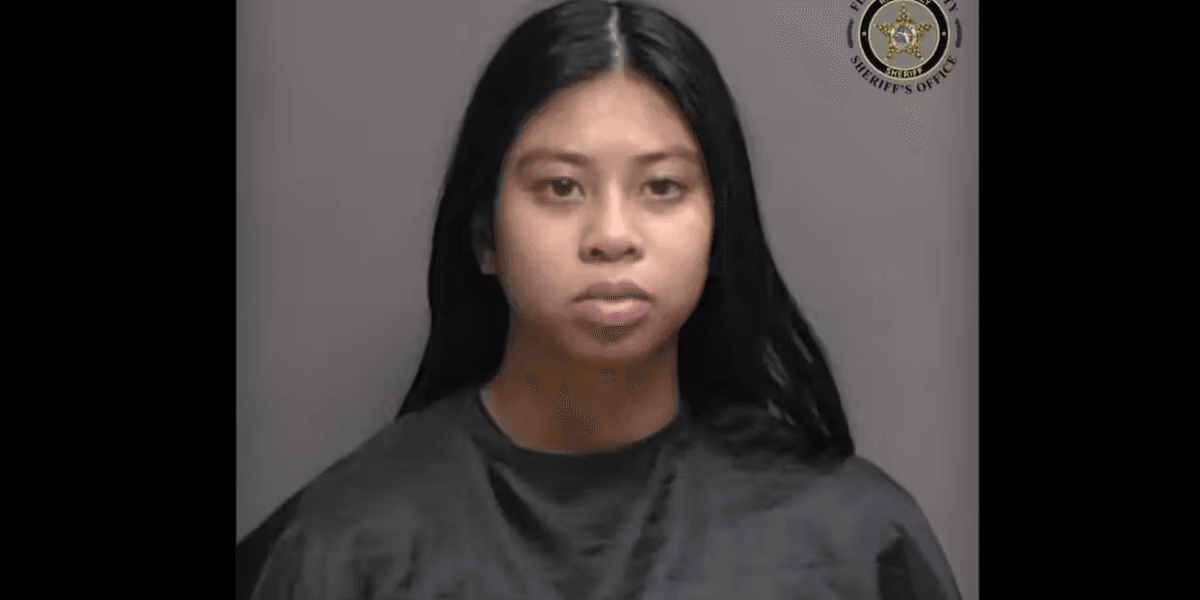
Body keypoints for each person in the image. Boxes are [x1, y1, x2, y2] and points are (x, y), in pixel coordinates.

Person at [245, 1, 963, 598]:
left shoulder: (853, 540)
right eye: (561, 187)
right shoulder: (340, 547)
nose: (612, 236)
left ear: (720, 230)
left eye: (662, 187)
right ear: (484, 234)